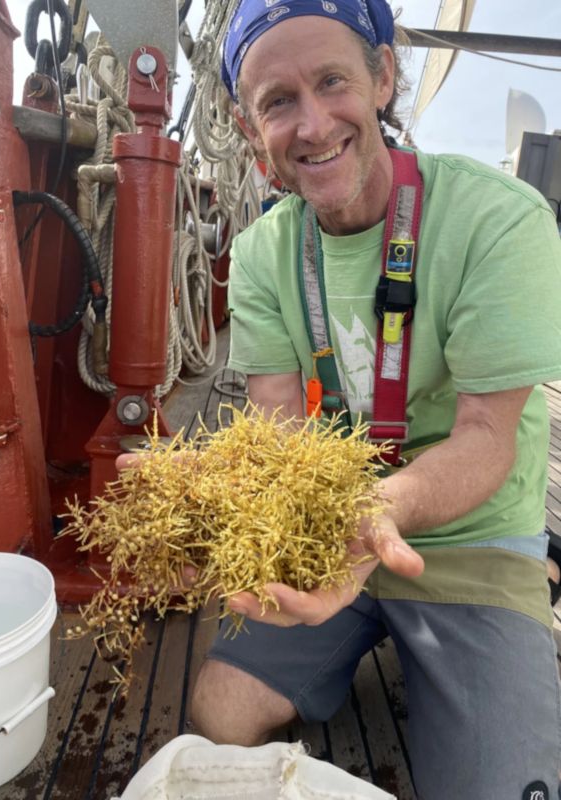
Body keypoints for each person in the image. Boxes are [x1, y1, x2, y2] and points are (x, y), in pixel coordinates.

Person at [187, 1, 561, 797]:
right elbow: (280, 429)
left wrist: (379, 512)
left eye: (333, 81)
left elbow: (489, 436)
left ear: (384, 76)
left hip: (475, 537)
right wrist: (247, 518)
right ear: (252, 128)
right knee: (219, 714)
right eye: (278, 102)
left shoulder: (499, 219)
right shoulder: (259, 254)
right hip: (336, 533)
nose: (313, 124)